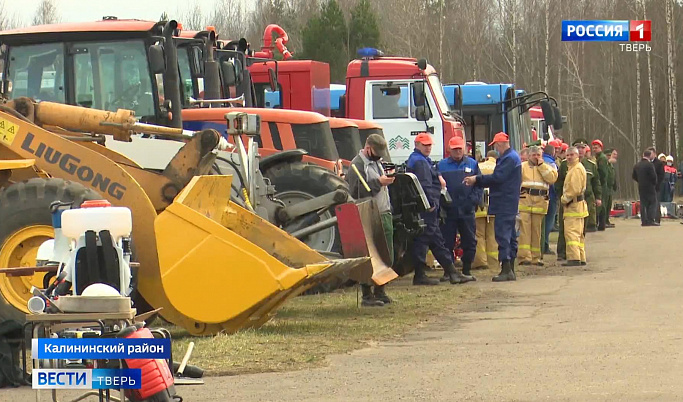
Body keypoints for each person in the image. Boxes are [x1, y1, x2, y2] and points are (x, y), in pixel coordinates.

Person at [407, 133, 474, 285]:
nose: (428, 148)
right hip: (427, 209)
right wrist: (431, 204)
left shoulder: (420, 159)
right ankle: (451, 273)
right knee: (435, 241)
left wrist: (438, 177)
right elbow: (425, 185)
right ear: (417, 145)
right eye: (425, 145)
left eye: (430, 145)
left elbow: (432, 175)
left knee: (425, 241)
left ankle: (426, 274)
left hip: (422, 208)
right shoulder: (420, 162)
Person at [464, 132, 522, 282]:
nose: (496, 148)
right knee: (510, 236)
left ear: (500, 144)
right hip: (508, 201)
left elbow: (498, 178)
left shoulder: (509, 159)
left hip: (504, 202)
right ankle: (510, 268)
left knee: (503, 235)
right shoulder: (512, 157)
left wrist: (476, 179)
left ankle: (506, 269)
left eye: (496, 145)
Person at [347, 134, 395, 306]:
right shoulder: (356, 166)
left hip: (384, 212)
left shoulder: (378, 163)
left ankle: (381, 290)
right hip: (367, 215)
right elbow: (357, 191)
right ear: (368, 148)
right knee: (369, 255)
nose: (380, 155)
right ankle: (367, 294)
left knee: (386, 253)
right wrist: (379, 182)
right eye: (377, 151)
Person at [437, 136, 481, 281]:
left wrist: (473, 201)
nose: (457, 152)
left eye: (459, 149)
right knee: (446, 241)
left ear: (464, 149)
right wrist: (442, 204)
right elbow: (436, 186)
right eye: (454, 149)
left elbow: (479, 185)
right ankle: (448, 271)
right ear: (449, 149)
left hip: (467, 210)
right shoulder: (441, 166)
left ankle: (467, 269)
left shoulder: (473, 164)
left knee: (469, 240)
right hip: (448, 210)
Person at [518, 146, 558, 266]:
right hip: (525, 201)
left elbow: (552, 179)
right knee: (525, 231)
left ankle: (536, 257)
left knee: (537, 231)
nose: (536, 157)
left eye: (538, 155)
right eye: (534, 155)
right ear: (529, 156)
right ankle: (524, 257)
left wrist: (541, 165)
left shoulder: (547, 167)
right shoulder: (522, 167)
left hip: (540, 203)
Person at [561, 146, 588, 266]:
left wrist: (564, 199)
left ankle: (574, 258)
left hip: (573, 206)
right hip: (578, 206)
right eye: (567, 155)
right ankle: (580, 256)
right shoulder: (575, 168)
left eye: (572, 155)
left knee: (571, 232)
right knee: (578, 234)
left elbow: (574, 189)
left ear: (577, 156)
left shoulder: (576, 169)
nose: (569, 157)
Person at [473, 150, 499, 269]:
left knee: (479, 234)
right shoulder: (498, 167)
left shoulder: (478, 166)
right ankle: (493, 261)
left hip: (480, 205)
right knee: (492, 234)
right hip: (493, 203)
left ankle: (480, 261)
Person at [632, 150, 659, 226]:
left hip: (641, 186)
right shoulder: (650, 165)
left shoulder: (637, 165)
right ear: (650, 156)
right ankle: (651, 220)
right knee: (652, 203)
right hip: (650, 187)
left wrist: (640, 181)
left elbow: (633, 176)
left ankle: (644, 221)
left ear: (643, 155)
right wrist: (654, 183)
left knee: (643, 203)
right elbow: (654, 177)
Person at [542, 144, 559, 255]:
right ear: (553, 152)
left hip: (540, 196)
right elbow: (554, 181)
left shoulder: (539, 161)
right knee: (549, 221)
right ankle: (545, 245)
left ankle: (541, 244)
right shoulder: (552, 164)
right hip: (551, 196)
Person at [591, 140, 610, 231]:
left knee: (601, 206)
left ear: (601, 148)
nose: (594, 149)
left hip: (602, 184)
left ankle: (602, 224)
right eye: (593, 148)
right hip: (601, 183)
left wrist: (599, 182)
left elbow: (602, 173)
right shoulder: (597, 157)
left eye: (596, 148)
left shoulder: (602, 158)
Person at [648, 147, 665, 224]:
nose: (649, 155)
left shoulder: (659, 163)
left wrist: (657, 184)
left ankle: (657, 219)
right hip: (647, 187)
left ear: (654, 154)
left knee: (656, 203)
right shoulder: (646, 162)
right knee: (649, 203)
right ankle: (649, 219)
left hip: (656, 187)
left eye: (650, 153)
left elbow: (661, 175)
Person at [604, 149, 618, 228]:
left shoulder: (611, 166)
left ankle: (607, 220)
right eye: (608, 156)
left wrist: (614, 184)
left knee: (609, 205)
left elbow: (612, 176)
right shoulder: (605, 164)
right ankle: (604, 221)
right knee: (605, 205)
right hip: (605, 187)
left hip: (610, 188)